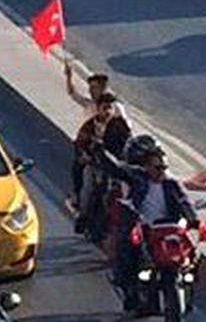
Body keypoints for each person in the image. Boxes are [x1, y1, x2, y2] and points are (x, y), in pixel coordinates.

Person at [91, 135, 197, 311]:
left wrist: (193, 219)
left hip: (168, 230)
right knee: (127, 256)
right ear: (147, 167)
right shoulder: (137, 178)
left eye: (164, 167)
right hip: (144, 230)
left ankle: (188, 291)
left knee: (191, 256)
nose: (161, 171)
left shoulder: (171, 184)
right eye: (157, 167)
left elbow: (184, 202)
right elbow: (115, 168)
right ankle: (131, 292)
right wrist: (100, 152)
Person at [70, 91, 131, 240]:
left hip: (116, 166)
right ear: (98, 109)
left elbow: (129, 143)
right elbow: (80, 144)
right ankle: (83, 216)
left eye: (110, 107)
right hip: (95, 164)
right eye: (105, 107)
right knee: (88, 186)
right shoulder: (89, 126)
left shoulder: (120, 125)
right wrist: (85, 155)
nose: (108, 111)